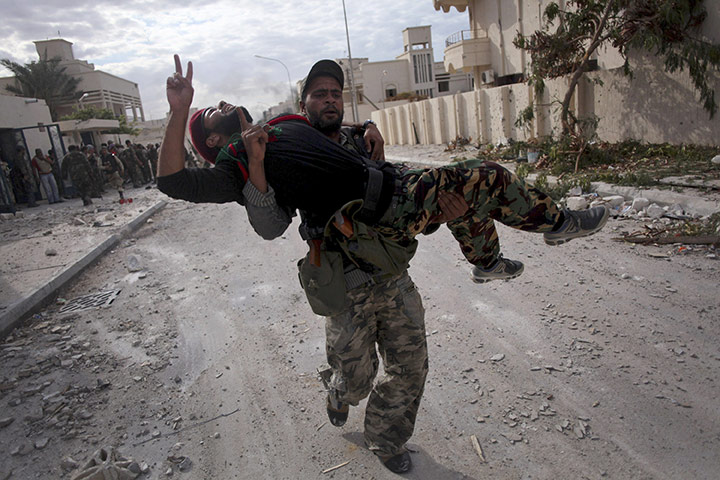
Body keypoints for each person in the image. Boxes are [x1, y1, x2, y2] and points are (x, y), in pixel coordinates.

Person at [157, 55, 608, 473]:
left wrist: (373, 127)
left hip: (392, 268)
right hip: (346, 282)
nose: (330, 100)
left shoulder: (305, 129)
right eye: (320, 95)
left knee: (412, 362)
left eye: (335, 93)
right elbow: (212, 199)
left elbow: (386, 188)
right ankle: (339, 390)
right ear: (213, 140)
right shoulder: (242, 159)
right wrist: (186, 115)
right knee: (356, 381)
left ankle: (387, 438)